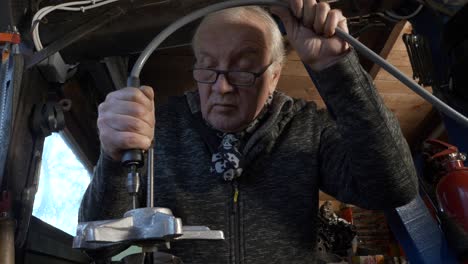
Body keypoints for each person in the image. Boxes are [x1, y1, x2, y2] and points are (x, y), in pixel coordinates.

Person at [79, 1, 418, 263]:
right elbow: (98, 247)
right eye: (208, 68)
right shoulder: (157, 127)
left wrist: (337, 70)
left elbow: (393, 188)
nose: (222, 88)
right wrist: (111, 159)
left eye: (243, 70)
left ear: (274, 75)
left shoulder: (307, 127)